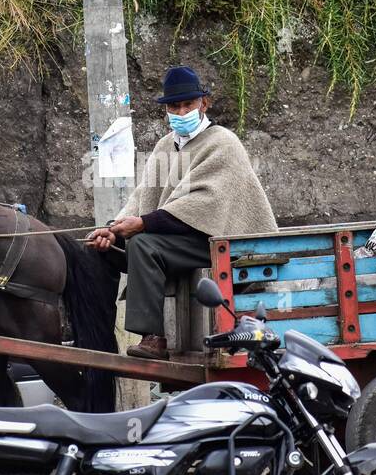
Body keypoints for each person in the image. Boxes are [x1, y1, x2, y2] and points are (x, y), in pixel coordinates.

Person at [86, 66, 278, 360]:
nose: (181, 111)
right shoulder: (166, 145)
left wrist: (142, 224)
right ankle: (95, 333)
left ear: (204, 104)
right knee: (102, 249)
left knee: (143, 243)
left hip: (219, 241)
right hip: (178, 239)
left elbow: (205, 205)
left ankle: (153, 338)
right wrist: (112, 229)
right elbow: (143, 196)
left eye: (188, 104)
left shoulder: (223, 143)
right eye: (174, 106)